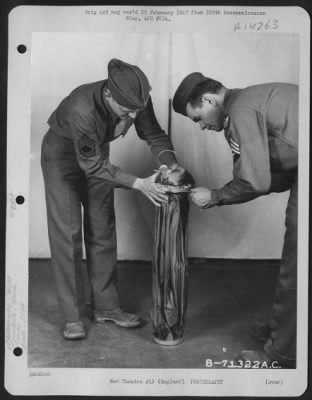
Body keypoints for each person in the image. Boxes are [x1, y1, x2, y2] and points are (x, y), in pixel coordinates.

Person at [41, 58, 185, 340]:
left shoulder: (136, 99)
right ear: (108, 94)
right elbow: (90, 165)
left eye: (137, 110)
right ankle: (72, 317)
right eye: (126, 110)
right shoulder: (82, 107)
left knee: (102, 229)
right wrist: (138, 183)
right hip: (63, 157)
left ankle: (107, 307)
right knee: (67, 235)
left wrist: (170, 163)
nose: (132, 115)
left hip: (98, 158)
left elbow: (153, 133)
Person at [172, 73, 298, 368]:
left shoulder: (240, 111)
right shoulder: (249, 100)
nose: (203, 126)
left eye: (198, 118)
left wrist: (214, 196)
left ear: (209, 100)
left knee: (297, 263)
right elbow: (270, 175)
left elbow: (254, 182)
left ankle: (280, 353)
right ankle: (286, 329)